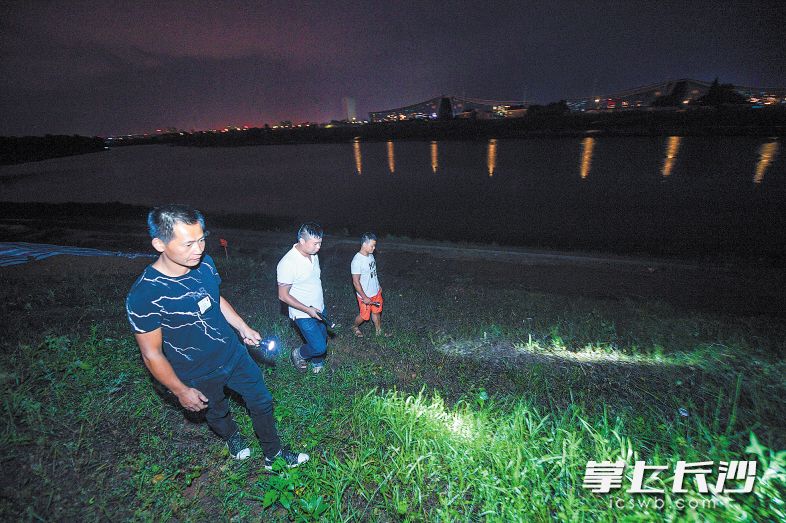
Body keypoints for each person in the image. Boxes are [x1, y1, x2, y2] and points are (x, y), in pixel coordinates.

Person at [126, 204, 308, 470]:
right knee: (217, 412)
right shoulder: (145, 295)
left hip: (232, 353)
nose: (198, 249)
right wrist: (180, 390)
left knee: (262, 400)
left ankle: (274, 454)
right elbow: (151, 353)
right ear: (159, 244)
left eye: (201, 240)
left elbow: (216, 299)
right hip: (196, 371)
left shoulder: (205, 265)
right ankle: (232, 436)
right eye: (188, 244)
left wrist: (242, 327)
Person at [277, 222, 328, 374]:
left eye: (320, 243)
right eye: (315, 244)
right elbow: (283, 295)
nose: (318, 247)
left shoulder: (314, 255)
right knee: (319, 346)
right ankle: (298, 354)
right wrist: (308, 309)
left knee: (322, 338)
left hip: (319, 307)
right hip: (302, 313)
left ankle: (317, 362)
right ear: (302, 240)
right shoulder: (287, 263)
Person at [350, 232, 389, 337]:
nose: (374, 248)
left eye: (375, 245)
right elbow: (355, 282)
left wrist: (378, 285)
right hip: (365, 295)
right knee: (364, 316)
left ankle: (378, 331)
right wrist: (364, 297)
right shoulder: (357, 261)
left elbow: (373, 273)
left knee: (376, 311)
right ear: (364, 244)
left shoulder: (371, 255)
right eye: (372, 245)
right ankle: (354, 326)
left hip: (376, 291)